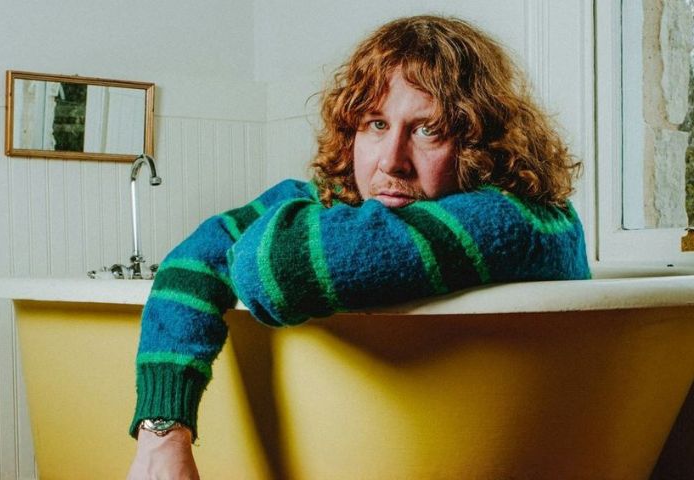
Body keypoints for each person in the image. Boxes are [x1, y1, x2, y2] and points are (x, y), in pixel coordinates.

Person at [126, 15, 589, 480]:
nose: (392, 161)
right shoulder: (334, 196)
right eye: (376, 124)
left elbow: (268, 267)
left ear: (480, 142)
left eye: (428, 129)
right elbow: (192, 257)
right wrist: (162, 436)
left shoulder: (521, 220)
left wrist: (269, 240)